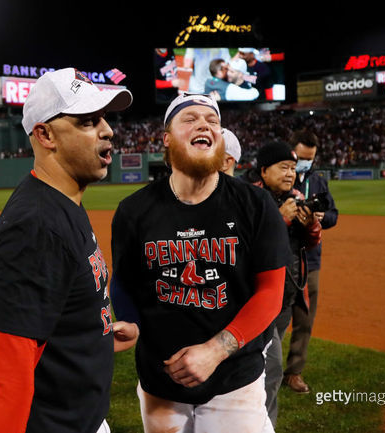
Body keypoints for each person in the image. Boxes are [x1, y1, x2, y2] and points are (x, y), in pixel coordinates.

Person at [0, 67, 138, 433]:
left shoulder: (61, 202)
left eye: (104, 119)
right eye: (88, 122)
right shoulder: (37, 227)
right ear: (45, 135)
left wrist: (96, 333)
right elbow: (7, 371)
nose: (108, 130)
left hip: (79, 415)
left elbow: (9, 309)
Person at [110, 93, 289, 433]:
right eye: (189, 118)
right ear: (166, 139)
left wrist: (215, 351)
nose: (204, 124)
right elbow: (123, 281)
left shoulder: (255, 204)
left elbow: (271, 292)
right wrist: (130, 322)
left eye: (213, 120)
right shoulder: (133, 211)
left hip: (235, 379)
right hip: (159, 382)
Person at [241, 141, 322, 426]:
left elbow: (310, 243)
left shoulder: (295, 196)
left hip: (286, 296)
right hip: (257, 298)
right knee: (271, 368)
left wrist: (311, 224)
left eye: (292, 168)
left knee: (264, 369)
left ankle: (258, 422)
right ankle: (261, 425)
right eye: (283, 167)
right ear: (263, 170)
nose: (290, 174)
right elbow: (244, 245)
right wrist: (281, 220)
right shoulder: (247, 196)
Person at [282, 129, 338, 394]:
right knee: (272, 317)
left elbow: (333, 214)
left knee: (304, 320)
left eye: (310, 158)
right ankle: (262, 369)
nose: (306, 162)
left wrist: (320, 217)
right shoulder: (280, 178)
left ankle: (294, 372)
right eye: (302, 157)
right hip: (281, 258)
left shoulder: (317, 181)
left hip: (310, 260)